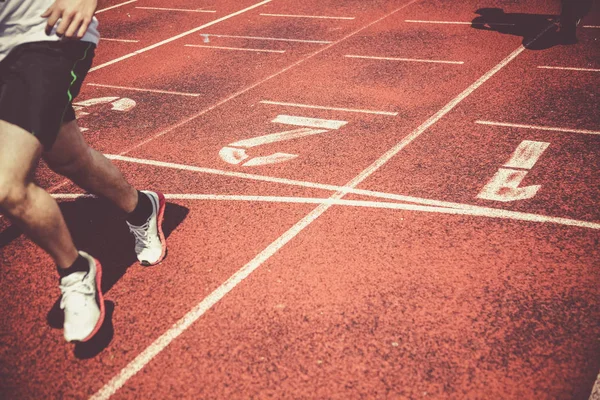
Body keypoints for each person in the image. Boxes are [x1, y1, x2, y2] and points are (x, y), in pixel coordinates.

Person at [0, 0, 167, 343]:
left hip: (47, 32)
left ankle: (75, 269)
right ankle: (142, 208)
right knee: (67, 158)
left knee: (7, 184)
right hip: (6, 44)